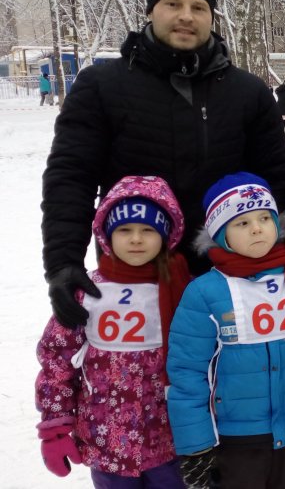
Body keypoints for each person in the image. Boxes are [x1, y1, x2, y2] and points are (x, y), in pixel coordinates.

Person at [41, 0, 285, 329]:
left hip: (229, 272)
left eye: (198, 7)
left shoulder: (248, 92)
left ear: (211, 17)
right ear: (150, 11)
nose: (186, 16)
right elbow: (71, 177)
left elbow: (275, 180)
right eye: (173, 4)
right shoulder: (101, 85)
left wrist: (278, 251)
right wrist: (63, 261)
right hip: (136, 274)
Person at [167, 173, 285, 489]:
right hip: (236, 438)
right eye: (242, 223)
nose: (257, 228)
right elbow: (188, 372)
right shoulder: (204, 293)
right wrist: (195, 445)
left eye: (265, 218)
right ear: (221, 234)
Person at [35, 176, 191, 487]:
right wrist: (55, 428)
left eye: (148, 230)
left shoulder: (183, 289)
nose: (136, 239)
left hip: (169, 441)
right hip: (105, 441)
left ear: (166, 235)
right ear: (106, 234)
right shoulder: (87, 292)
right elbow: (57, 359)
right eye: (124, 230)